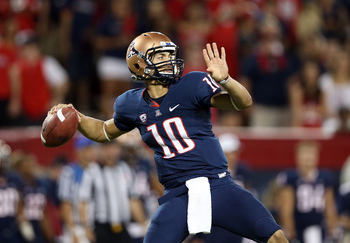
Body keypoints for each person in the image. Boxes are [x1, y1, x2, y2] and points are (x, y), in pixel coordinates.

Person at [50, 31, 287, 243]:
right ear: (139, 64)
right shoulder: (130, 104)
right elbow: (103, 132)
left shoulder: (191, 84)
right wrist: (77, 118)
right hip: (177, 194)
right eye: (160, 56)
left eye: (169, 55)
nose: (169, 61)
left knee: (275, 237)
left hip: (218, 185)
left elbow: (242, 102)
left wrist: (226, 80)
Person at [276, 141, 339, 243]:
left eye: (311, 155)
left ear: (317, 157)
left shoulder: (325, 178)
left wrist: (333, 228)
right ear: (298, 157)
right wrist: (290, 231)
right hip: (299, 226)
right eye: (305, 155)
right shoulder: (291, 178)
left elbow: (329, 206)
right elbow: (286, 208)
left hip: (318, 226)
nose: (308, 159)